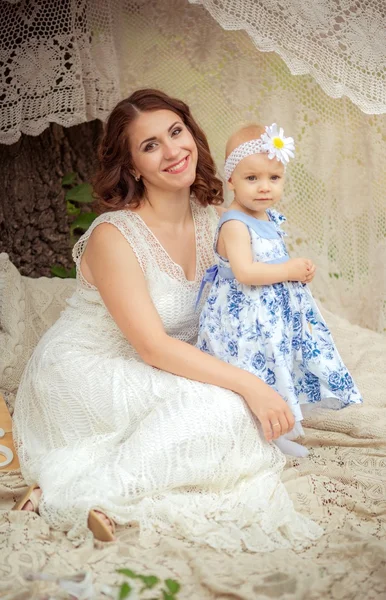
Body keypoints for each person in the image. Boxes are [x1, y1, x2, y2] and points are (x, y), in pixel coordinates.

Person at [12, 90, 323, 550]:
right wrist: (251, 386)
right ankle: (79, 494)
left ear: (192, 135)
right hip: (87, 369)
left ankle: (86, 485)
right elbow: (153, 347)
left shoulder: (216, 222)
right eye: (151, 145)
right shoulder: (115, 236)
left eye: (176, 132)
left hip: (161, 366)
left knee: (242, 416)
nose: (173, 151)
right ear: (134, 166)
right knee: (229, 407)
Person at [196, 123, 363, 458]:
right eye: (251, 178)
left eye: (274, 178)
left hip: (270, 318)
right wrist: (287, 270)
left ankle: (276, 431)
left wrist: (297, 273)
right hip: (244, 321)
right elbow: (245, 271)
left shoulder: (267, 217)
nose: (264, 188)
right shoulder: (234, 223)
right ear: (231, 180)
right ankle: (254, 436)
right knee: (250, 370)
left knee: (276, 366)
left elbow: (272, 259)